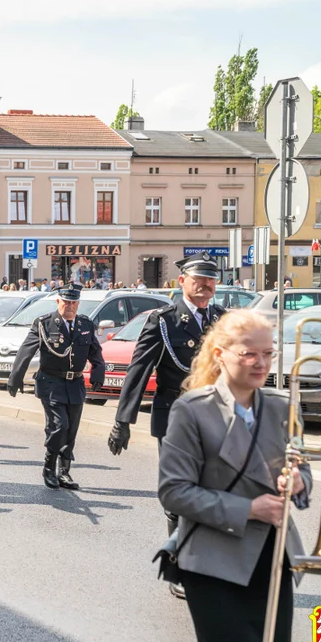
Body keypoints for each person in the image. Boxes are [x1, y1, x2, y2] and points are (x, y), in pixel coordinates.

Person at [159, 309, 311, 642]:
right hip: (216, 564)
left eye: (268, 353)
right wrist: (249, 509)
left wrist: (299, 483)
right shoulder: (192, 410)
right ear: (220, 354)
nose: (261, 363)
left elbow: (303, 468)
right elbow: (174, 491)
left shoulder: (282, 407)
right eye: (249, 353)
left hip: (272, 561)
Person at [108, 253, 226, 598]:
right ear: (182, 282)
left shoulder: (222, 320)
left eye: (210, 280)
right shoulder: (164, 321)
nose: (205, 286)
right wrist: (122, 420)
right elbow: (139, 370)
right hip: (175, 416)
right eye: (198, 280)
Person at [6, 284, 105, 489]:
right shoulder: (44, 324)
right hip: (51, 383)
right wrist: (15, 379)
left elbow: (95, 351)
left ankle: (64, 472)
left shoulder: (85, 324)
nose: (70, 306)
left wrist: (98, 372)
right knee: (60, 425)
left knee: (71, 430)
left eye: (74, 302)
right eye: (66, 302)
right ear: (58, 301)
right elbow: (25, 351)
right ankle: (49, 466)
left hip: (75, 383)